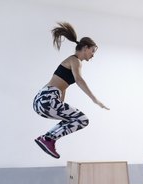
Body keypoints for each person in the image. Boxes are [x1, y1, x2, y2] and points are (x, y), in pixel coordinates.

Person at [33, 22, 109, 159]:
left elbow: (64, 85)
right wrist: (95, 100)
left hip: (41, 101)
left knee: (73, 118)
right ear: (85, 48)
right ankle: (47, 139)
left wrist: (61, 102)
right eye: (92, 51)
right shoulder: (75, 61)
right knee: (82, 119)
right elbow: (79, 80)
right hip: (48, 98)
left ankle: (47, 139)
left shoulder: (71, 61)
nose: (93, 55)